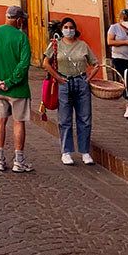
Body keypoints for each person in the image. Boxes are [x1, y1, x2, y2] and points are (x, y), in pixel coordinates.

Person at [0, 5, 33, 173]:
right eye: (22, 20)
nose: (22, 23)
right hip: (17, 89)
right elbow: (24, 64)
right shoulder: (21, 37)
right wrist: (10, 82)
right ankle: (19, 161)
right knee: (19, 122)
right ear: (18, 20)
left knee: (0, 121)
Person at [41, 17, 99, 165]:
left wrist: (88, 79)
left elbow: (96, 64)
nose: (69, 30)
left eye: (71, 27)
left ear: (75, 29)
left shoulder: (83, 45)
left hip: (81, 83)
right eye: (66, 27)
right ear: (61, 30)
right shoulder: (55, 45)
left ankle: (85, 152)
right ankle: (66, 152)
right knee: (65, 119)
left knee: (85, 119)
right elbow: (45, 63)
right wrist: (58, 78)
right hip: (64, 84)